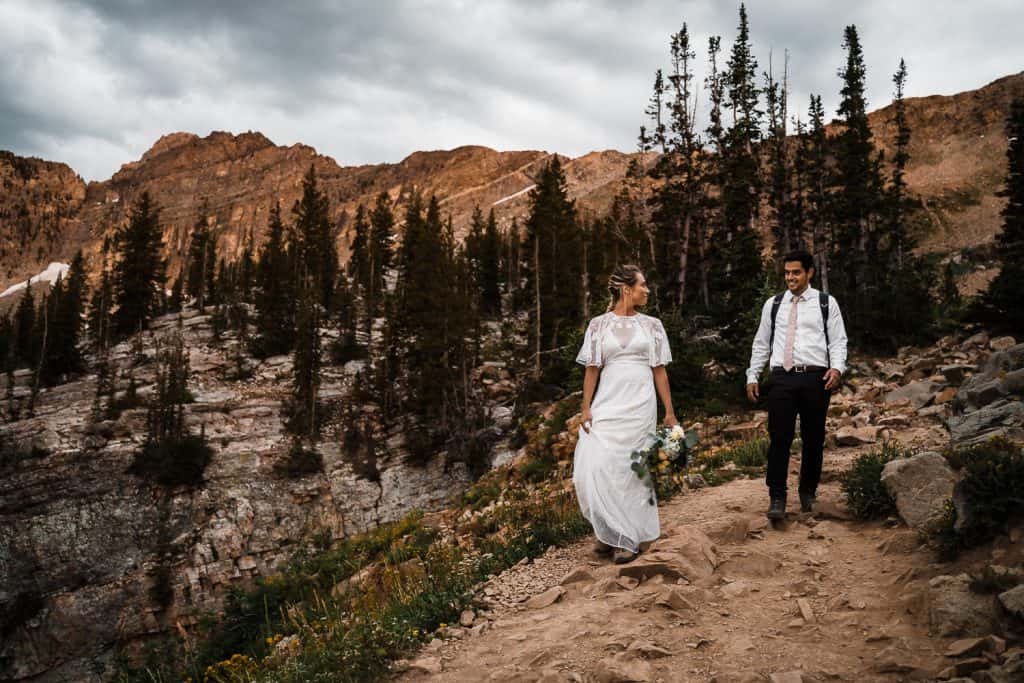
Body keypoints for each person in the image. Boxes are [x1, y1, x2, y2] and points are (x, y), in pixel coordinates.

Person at [572, 265, 676, 564]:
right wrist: (586, 407)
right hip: (608, 400)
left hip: (641, 401)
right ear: (626, 289)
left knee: (632, 468)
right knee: (598, 462)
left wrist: (669, 412)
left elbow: (660, 371)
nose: (647, 290)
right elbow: (592, 369)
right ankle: (607, 529)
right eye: (643, 285)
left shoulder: (653, 325)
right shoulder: (598, 325)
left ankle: (627, 539)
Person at [746, 250, 848, 520]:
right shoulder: (774, 304)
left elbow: (838, 340)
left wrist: (837, 367)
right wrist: (752, 375)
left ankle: (808, 493)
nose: (790, 277)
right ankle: (777, 497)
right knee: (779, 438)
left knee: (813, 438)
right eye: (787, 272)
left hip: (816, 378)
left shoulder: (826, 303)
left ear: (809, 272)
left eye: (796, 272)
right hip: (781, 378)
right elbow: (761, 342)